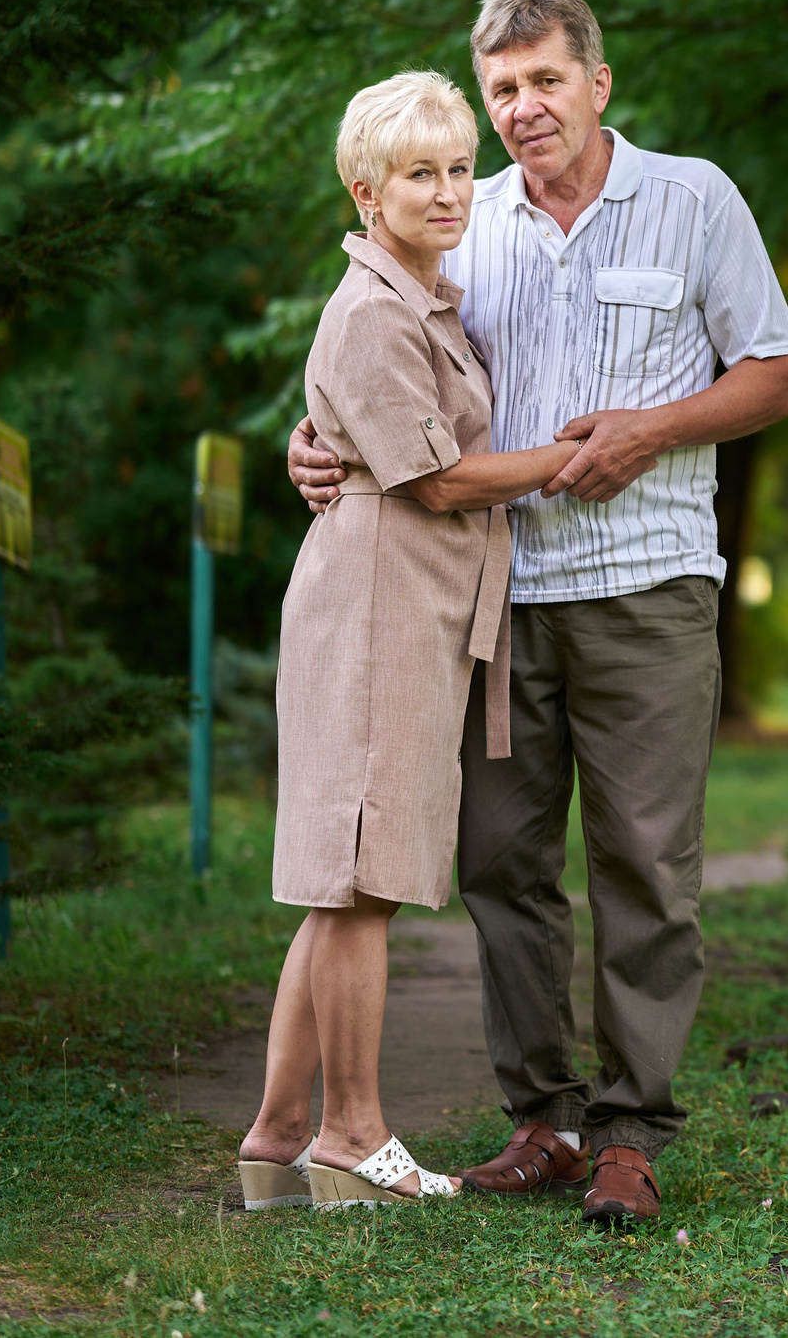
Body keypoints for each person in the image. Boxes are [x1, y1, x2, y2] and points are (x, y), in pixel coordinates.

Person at [289, 0, 788, 1227]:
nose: (524, 107)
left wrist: (653, 430)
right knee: (502, 867)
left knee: (646, 867)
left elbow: (779, 373)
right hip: (494, 598)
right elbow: (379, 364)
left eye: (545, 80)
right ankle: (545, 1120)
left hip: (649, 589)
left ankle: (630, 1131)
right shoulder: (460, 222)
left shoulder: (694, 199)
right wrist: (312, 444)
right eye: (504, 89)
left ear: (597, 83)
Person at [237, 71, 583, 1211]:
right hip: (377, 610)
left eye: (458, 169)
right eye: (419, 174)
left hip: (407, 607)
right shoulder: (376, 312)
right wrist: (578, 454)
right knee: (361, 878)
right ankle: (351, 1132)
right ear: (365, 191)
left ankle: (277, 1134)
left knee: (347, 887)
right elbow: (435, 480)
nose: (447, 192)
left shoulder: (424, 298)